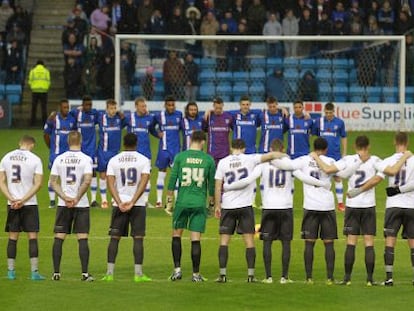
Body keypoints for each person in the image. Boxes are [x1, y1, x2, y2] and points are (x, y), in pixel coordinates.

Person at [223, 138, 330, 284]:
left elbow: (248, 180)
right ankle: (284, 277)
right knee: (286, 243)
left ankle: (268, 277)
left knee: (267, 242)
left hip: (268, 208)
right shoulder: (289, 165)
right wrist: (323, 184)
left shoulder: (263, 165)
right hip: (285, 207)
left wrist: (228, 186)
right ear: (283, 150)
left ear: (271, 150)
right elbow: (305, 178)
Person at [288, 137, 360, 284]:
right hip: (327, 207)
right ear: (326, 149)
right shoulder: (330, 161)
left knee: (309, 243)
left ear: (314, 148)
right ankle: (330, 277)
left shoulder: (303, 160)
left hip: (310, 206)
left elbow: (291, 169)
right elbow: (339, 178)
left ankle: (309, 278)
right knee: (329, 243)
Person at [213, 139, 284, 283]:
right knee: (249, 241)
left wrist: (217, 205)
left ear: (231, 147)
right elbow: (271, 155)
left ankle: (222, 275)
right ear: (244, 148)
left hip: (228, 205)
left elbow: (218, 185)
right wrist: (283, 155)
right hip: (245, 205)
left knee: (224, 241)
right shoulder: (250, 158)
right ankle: (251, 275)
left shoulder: (223, 162)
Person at [165, 130, 216, 282]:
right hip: (199, 203)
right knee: (195, 239)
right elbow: (211, 185)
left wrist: (169, 201)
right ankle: (195, 274)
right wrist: (212, 203)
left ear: (191, 140)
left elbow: (172, 179)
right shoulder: (208, 159)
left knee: (176, 235)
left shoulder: (180, 157)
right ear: (202, 142)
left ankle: (177, 271)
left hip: (182, 202)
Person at [102, 133, 152, 282]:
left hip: (119, 204)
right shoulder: (143, 160)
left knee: (114, 238)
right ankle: (138, 274)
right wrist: (133, 201)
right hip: (137, 204)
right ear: (136, 143)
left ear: (123, 143)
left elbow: (110, 182)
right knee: (138, 238)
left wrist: (118, 201)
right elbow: (144, 182)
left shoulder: (114, 160)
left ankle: (109, 274)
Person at [0, 135, 45, 281]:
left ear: (20, 143)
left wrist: (11, 198)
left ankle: (11, 272)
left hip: (12, 203)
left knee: (13, 237)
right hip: (29, 203)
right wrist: (23, 200)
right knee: (32, 237)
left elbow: (1, 182)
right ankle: (34, 273)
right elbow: (38, 184)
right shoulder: (35, 159)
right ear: (32, 145)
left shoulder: (6, 157)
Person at [50, 131, 93, 281]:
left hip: (63, 204)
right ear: (80, 141)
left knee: (59, 237)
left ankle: (56, 273)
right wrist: (76, 198)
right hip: (81, 204)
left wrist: (65, 197)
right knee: (82, 238)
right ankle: (85, 274)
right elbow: (87, 181)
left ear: (68, 142)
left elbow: (53, 182)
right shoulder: (86, 159)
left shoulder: (59, 159)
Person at [374, 132, 414, 286]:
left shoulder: (388, 160)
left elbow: (378, 178)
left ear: (394, 142)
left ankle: (389, 278)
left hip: (393, 206)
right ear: (407, 142)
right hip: (411, 206)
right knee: (412, 242)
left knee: (390, 241)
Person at [313, 102, 347, 212]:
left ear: (334, 111)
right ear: (324, 112)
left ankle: (340, 203)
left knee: (337, 178)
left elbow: (343, 137)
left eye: (330, 113)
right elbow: (315, 136)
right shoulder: (319, 122)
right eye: (326, 113)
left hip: (335, 155)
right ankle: (320, 201)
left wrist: (344, 152)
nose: (328, 114)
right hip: (322, 156)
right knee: (321, 179)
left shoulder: (340, 122)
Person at [44, 99, 76, 209]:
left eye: (68, 107)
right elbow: (46, 134)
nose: (66, 109)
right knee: (53, 177)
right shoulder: (53, 118)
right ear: (60, 108)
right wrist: (51, 147)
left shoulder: (72, 119)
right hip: (55, 153)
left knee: (65, 177)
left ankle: (63, 199)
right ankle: (52, 201)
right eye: (64, 107)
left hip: (67, 154)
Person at [69, 95, 100, 207]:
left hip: (91, 149)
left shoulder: (94, 114)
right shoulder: (77, 114)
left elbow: (102, 116)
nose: (89, 107)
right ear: (82, 105)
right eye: (86, 105)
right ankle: (76, 196)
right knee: (78, 173)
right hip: (79, 149)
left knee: (93, 173)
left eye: (90, 105)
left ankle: (93, 199)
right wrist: (77, 109)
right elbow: (69, 114)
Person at [126, 97, 157, 205]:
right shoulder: (129, 118)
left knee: (146, 177)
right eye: (142, 106)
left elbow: (153, 130)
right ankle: (128, 198)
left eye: (145, 106)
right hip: (132, 152)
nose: (144, 108)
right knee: (132, 177)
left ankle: (145, 200)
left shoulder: (150, 118)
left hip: (146, 153)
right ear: (136, 106)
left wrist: (159, 135)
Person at [97, 99, 127, 209]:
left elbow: (128, 121)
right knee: (103, 175)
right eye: (111, 108)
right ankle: (104, 200)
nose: (113, 110)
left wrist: (123, 116)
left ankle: (114, 198)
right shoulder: (100, 118)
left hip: (115, 152)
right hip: (103, 152)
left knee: (115, 176)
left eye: (115, 108)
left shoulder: (119, 119)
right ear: (106, 109)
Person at [153, 95, 182, 207]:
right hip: (163, 150)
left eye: (173, 105)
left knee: (176, 175)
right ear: (165, 105)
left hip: (175, 150)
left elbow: (182, 128)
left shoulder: (179, 115)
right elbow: (151, 127)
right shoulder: (159, 115)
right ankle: (159, 201)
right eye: (169, 105)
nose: (171, 107)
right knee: (161, 174)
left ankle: (176, 201)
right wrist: (157, 134)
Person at [203, 97, 233, 166]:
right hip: (212, 152)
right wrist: (206, 114)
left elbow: (234, 128)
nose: (218, 110)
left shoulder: (228, 117)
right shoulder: (209, 116)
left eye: (220, 108)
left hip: (225, 152)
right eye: (216, 108)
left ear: (223, 106)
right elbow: (203, 129)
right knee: (211, 173)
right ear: (213, 106)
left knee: (223, 174)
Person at [28, 59, 51, 126]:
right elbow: (48, 81)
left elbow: (30, 81)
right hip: (44, 91)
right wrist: (45, 87)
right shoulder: (46, 71)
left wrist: (33, 86)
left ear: (36, 64)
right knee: (44, 108)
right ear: (43, 64)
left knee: (34, 108)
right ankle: (44, 123)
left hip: (35, 91)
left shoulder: (33, 71)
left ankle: (32, 123)